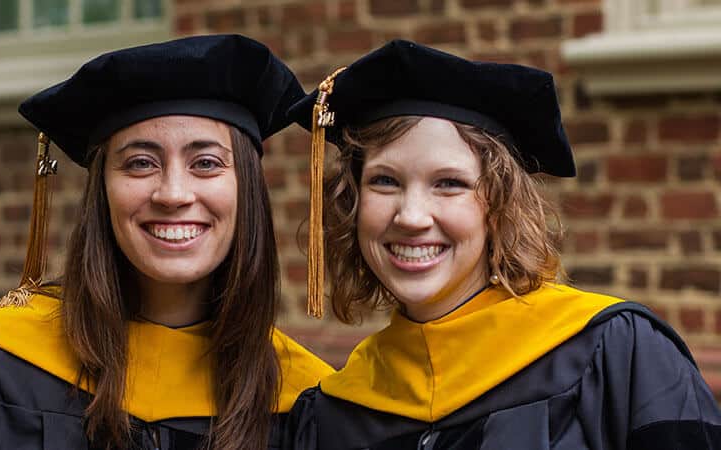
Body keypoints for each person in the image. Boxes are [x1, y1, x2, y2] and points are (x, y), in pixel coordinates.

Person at [0, 34, 334, 450]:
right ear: (102, 192)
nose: (173, 193)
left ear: (247, 189)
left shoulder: (305, 400)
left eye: (207, 163)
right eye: (139, 164)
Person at [281, 39, 721, 449]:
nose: (411, 216)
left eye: (449, 183)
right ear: (353, 201)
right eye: (384, 181)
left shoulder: (617, 355)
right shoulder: (330, 414)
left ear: (499, 204)